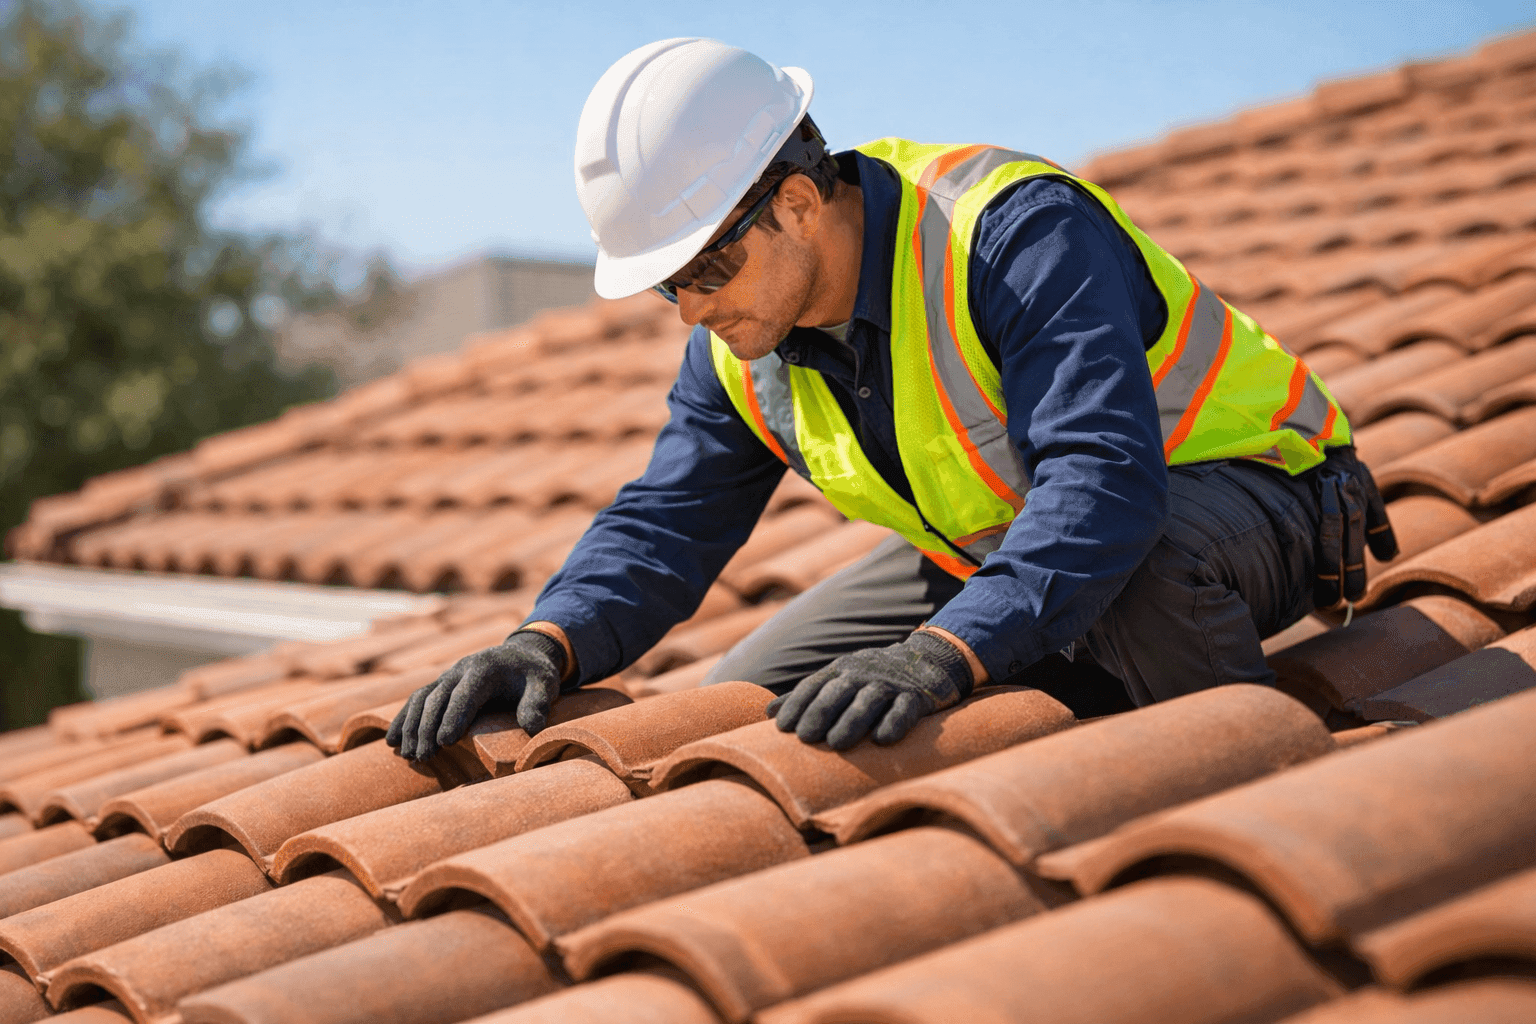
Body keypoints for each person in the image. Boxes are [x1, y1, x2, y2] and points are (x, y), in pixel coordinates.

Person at [388, 38, 1396, 763]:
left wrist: (948, 653)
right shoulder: (740, 344)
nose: (690, 309)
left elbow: (1103, 488)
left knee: (1131, 575)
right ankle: (1057, 676)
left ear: (795, 203)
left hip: (1251, 498)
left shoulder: (1010, 236)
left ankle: (1259, 776)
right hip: (1004, 547)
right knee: (751, 703)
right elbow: (666, 524)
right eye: (666, 286)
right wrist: (548, 640)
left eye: (705, 270)